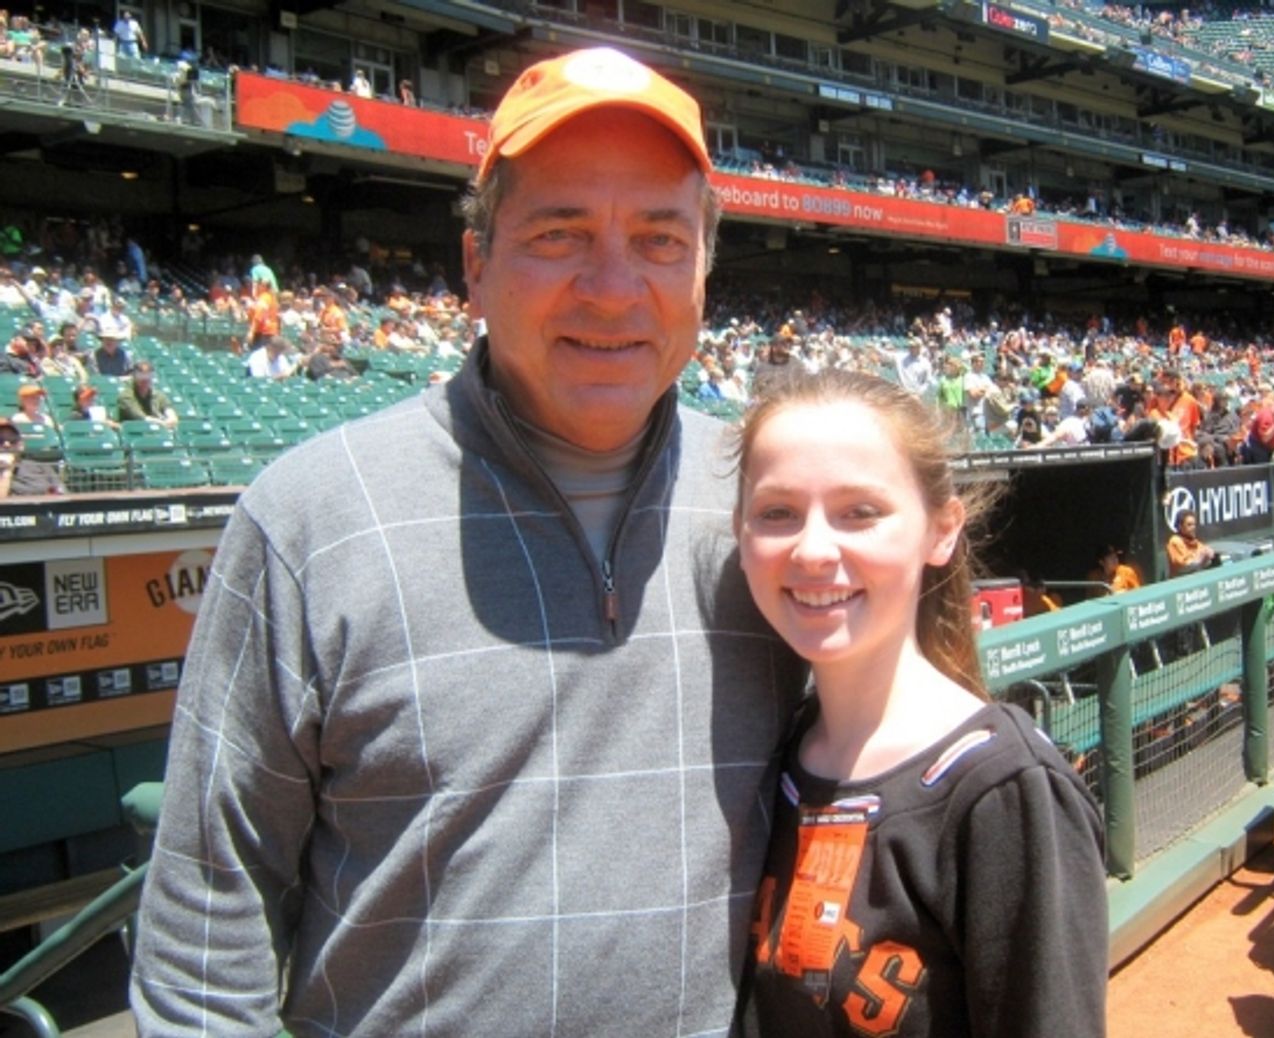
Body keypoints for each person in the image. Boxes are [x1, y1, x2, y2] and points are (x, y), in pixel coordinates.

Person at [131, 46, 804, 1036]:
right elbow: (203, 933)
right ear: (475, 265)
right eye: (559, 232)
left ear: (705, 268)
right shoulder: (311, 515)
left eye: (659, 239)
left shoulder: (772, 511)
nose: (613, 289)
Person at [732, 370, 1107, 1037]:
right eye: (777, 512)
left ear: (942, 531)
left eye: (861, 512)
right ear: (740, 532)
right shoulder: (779, 753)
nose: (814, 549)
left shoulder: (1006, 790)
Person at [0, 418, 64, 497]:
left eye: (12, 439)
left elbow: (61, 493)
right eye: (0, 439)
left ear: (21, 445)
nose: (7, 444)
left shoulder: (41, 467)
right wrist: (7, 470)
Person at [116, 361, 178, 428]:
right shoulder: (126, 396)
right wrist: (161, 423)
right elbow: (141, 418)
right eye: (141, 375)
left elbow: (170, 413)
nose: (145, 379)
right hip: (135, 432)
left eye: (148, 375)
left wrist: (171, 419)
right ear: (134, 376)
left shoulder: (157, 395)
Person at [1167, 509, 1216, 576]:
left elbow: (1205, 561)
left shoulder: (1195, 542)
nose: (1193, 527)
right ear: (1180, 526)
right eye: (1189, 525)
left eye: (1194, 524)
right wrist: (1200, 558)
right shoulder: (1175, 541)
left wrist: (1208, 556)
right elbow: (1182, 568)